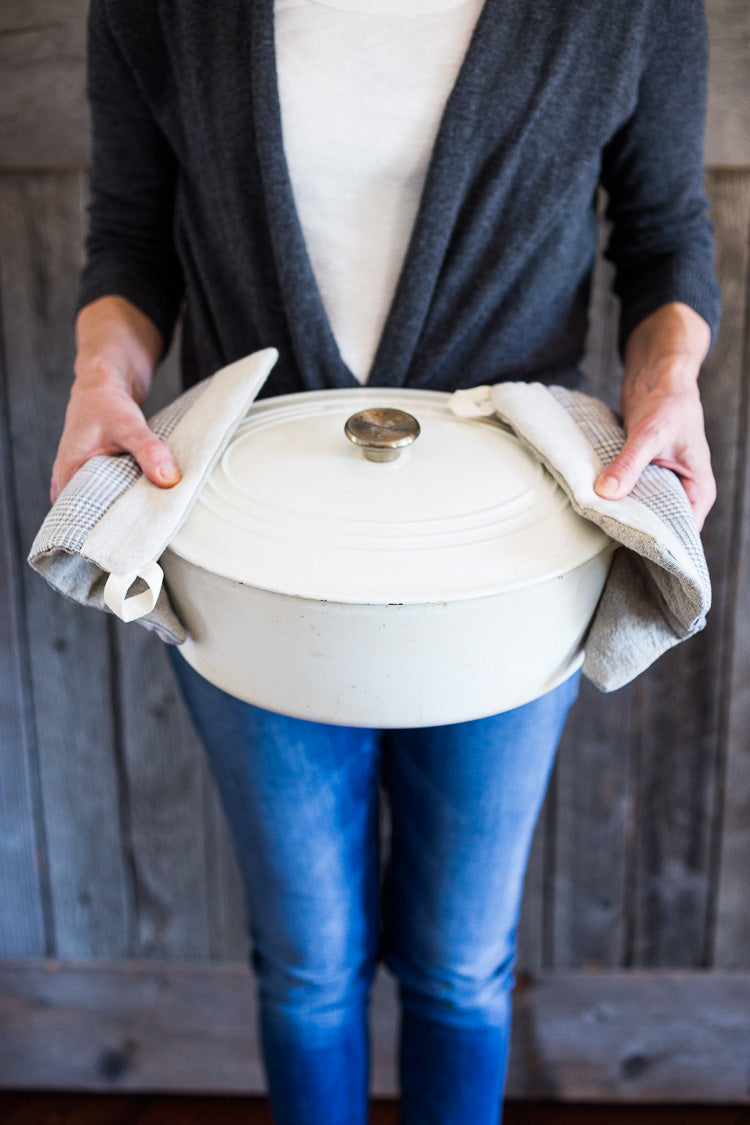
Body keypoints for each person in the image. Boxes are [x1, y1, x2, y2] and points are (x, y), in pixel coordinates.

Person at [51, 2, 720, 1122]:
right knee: (309, 968)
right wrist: (99, 374)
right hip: (244, 554)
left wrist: (669, 380)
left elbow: (665, 236)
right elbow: (130, 232)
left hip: (512, 561)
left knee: (462, 965)